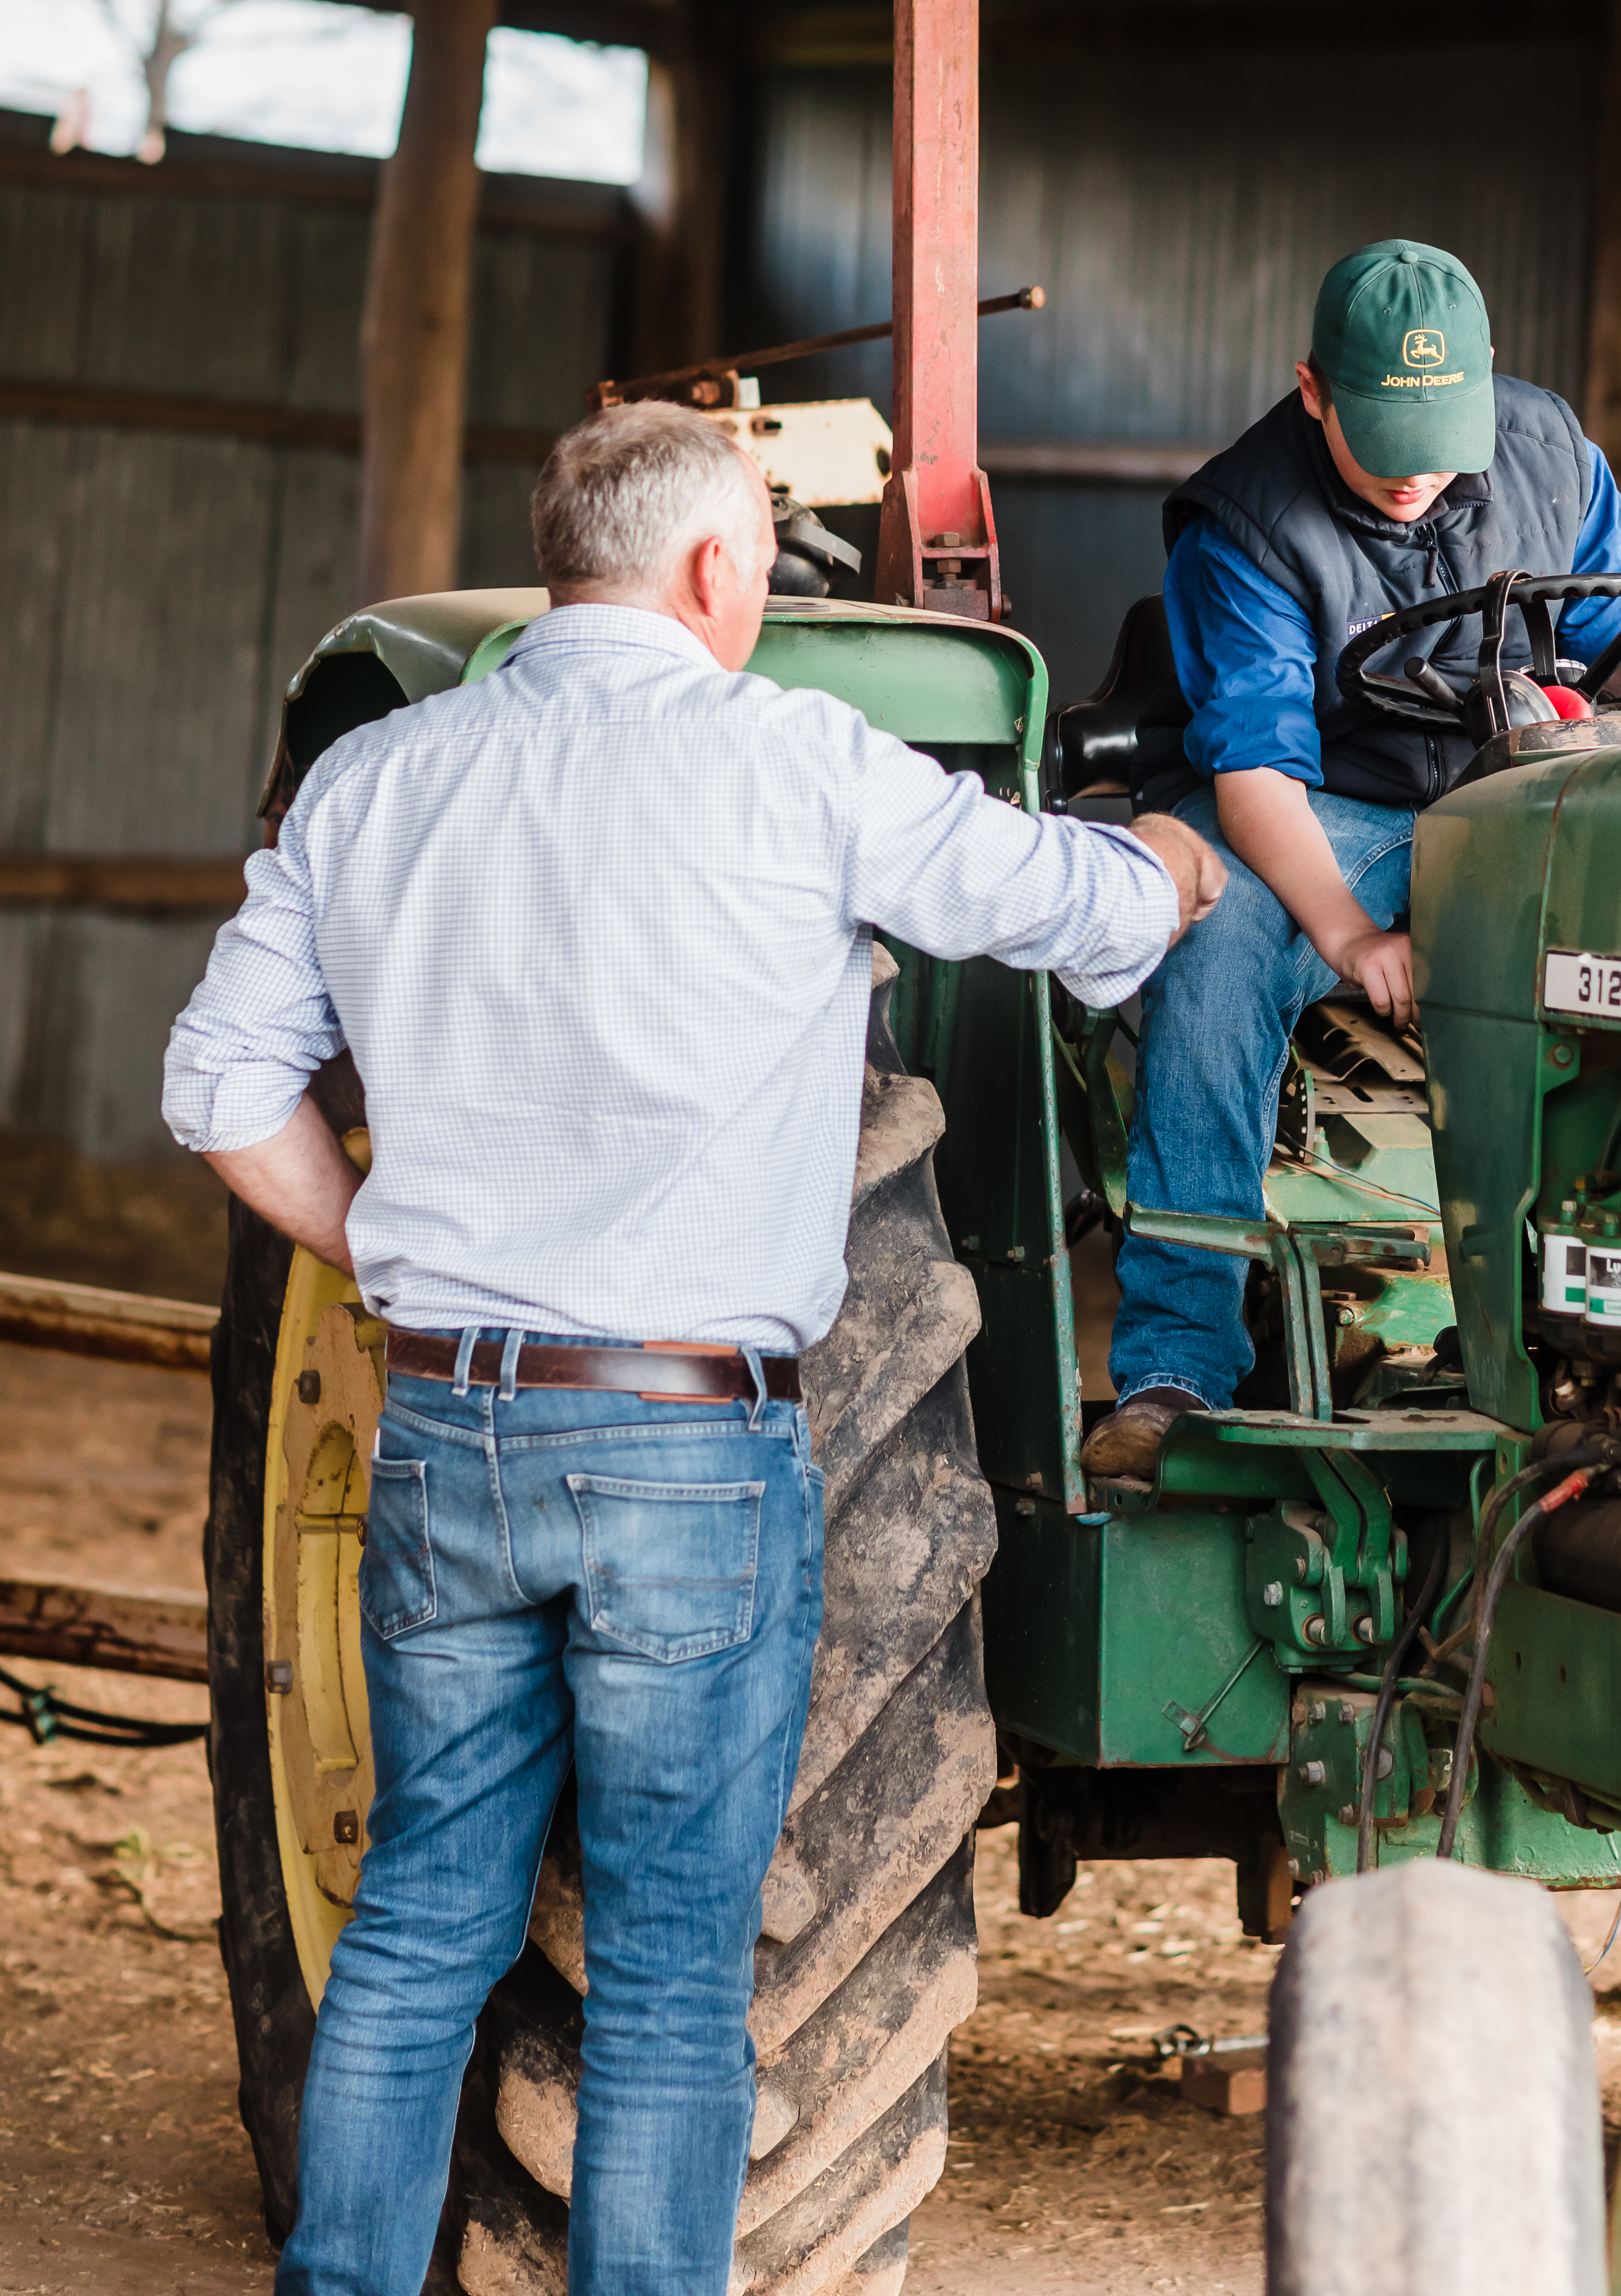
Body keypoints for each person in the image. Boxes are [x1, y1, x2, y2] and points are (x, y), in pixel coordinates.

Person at [163, 402, 1221, 2296]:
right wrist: (1171, 869)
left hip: (450, 1434)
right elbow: (1064, 906)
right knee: (666, 1975)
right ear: (723, 571)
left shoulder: (384, 777)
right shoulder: (801, 761)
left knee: (414, 1929)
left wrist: (388, 1264)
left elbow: (224, 1088)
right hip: (685, 1455)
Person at [1077, 237, 1621, 1480]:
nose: (1417, 474)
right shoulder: (1238, 524)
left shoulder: (1543, 448)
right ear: (1313, 391)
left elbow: (1613, 643)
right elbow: (1255, 775)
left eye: (1439, 434)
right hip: (1325, 816)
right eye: (1383, 439)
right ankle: (1176, 1364)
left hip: (1503, 793)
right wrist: (1348, 935)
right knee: (1218, 933)